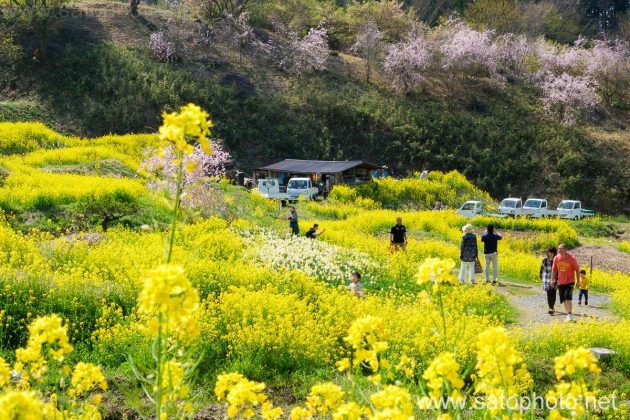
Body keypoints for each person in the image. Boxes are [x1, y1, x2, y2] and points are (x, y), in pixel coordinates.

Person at [551, 243, 580, 322]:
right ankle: (568, 314)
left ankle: (570, 314)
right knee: (563, 298)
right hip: (561, 282)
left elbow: (577, 270)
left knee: (567, 296)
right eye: (558, 249)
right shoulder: (556, 258)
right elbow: (554, 270)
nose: (559, 250)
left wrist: (578, 281)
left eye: (561, 249)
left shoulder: (572, 258)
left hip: (570, 281)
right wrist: (552, 279)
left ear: (565, 250)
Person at [540, 247, 558, 314]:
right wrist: (540, 274)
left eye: (552, 253)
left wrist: (556, 278)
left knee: (553, 292)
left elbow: (558, 270)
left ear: (554, 253)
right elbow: (541, 267)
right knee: (548, 293)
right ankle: (550, 307)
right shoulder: (544, 259)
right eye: (549, 252)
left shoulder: (556, 260)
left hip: (554, 278)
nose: (550, 254)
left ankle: (552, 307)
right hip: (546, 278)